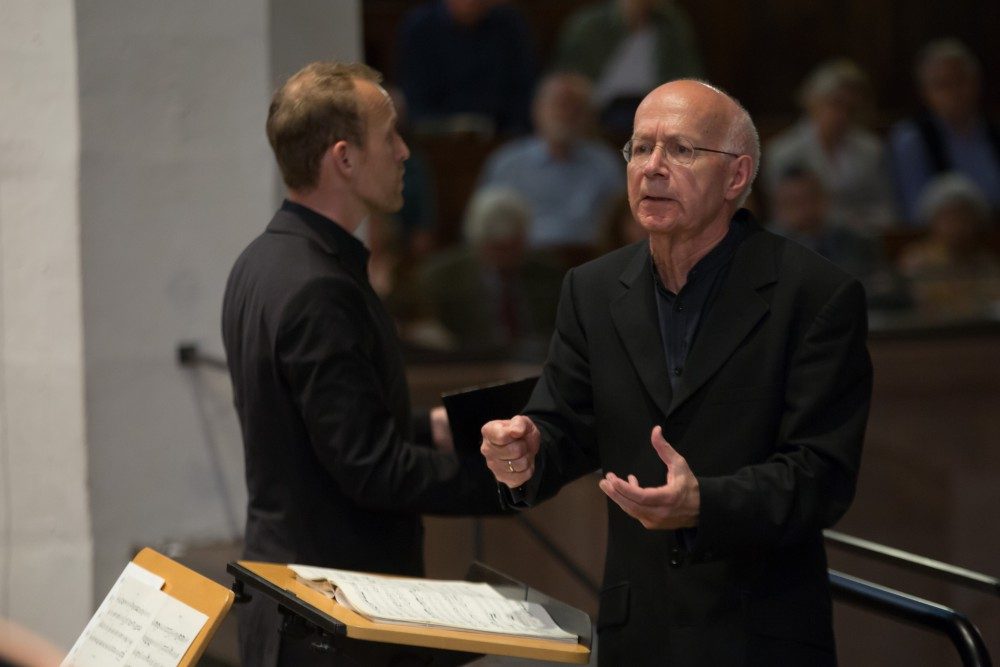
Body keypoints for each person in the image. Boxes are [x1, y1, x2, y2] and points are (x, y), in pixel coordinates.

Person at [480, 80, 873, 665]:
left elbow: (822, 474)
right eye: (640, 148)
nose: (653, 167)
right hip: (639, 633)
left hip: (760, 635)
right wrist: (526, 450)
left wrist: (704, 504)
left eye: (681, 150)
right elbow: (564, 424)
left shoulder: (814, 294)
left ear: (737, 176)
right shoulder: (591, 289)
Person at [222, 61, 503, 667]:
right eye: (389, 135)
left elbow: (318, 427)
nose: (404, 151)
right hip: (333, 619)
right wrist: (507, 480)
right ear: (344, 159)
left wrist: (430, 427)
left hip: (293, 598)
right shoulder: (320, 285)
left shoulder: (262, 260)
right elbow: (370, 469)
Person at [476, 72, 624, 251]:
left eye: (576, 108)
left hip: (590, 257)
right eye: (560, 105)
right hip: (525, 259)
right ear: (537, 109)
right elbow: (484, 226)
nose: (567, 114)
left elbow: (619, 222)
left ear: (589, 116)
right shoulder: (508, 163)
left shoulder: (605, 163)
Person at [415, 187, 564, 351]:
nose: (505, 255)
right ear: (476, 241)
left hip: (537, 357)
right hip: (474, 360)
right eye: (497, 247)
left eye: (513, 245)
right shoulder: (443, 277)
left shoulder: (548, 272)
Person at [764, 58, 896, 235]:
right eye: (835, 103)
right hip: (802, 241)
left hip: (863, 239)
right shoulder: (783, 151)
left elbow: (885, 209)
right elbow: (784, 216)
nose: (842, 115)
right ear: (812, 101)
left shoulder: (871, 149)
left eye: (851, 108)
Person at [889, 39, 1000, 224]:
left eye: (960, 81)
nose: (954, 92)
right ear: (925, 92)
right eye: (942, 85)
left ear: (977, 83)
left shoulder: (994, 132)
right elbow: (914, 211)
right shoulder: (912, 139)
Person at [554, 0, 703, 136]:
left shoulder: (670, 26)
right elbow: (567, 75)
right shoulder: (590, 25)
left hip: (655, 111)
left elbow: (690, 80)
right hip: (599, 111)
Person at [397, 0, 536, 135]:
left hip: (501, 134)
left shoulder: (509, 25)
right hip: (437, 134)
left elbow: (523, 91)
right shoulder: (420, 27)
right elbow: (415, 99)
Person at [897, 174, 1000, 315]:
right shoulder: (915, 262)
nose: (958, 225)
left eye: (965, 216)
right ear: (932, 219)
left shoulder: (987, 264)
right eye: (949, 216)